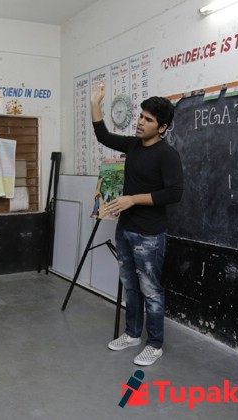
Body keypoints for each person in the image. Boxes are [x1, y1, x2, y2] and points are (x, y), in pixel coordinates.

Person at [90, 81, 183, 366]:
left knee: (151, 290)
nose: (141, 122)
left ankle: (154, 344)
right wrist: (95, 103)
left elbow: (174, 193)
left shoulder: (167, 154)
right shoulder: (133, 145)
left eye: (148, 120)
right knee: (130, 286)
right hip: (125, 230)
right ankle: (132, 334)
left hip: (150, 235)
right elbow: (103, 135)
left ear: (162, 127)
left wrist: (133, 199)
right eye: (141, 116)